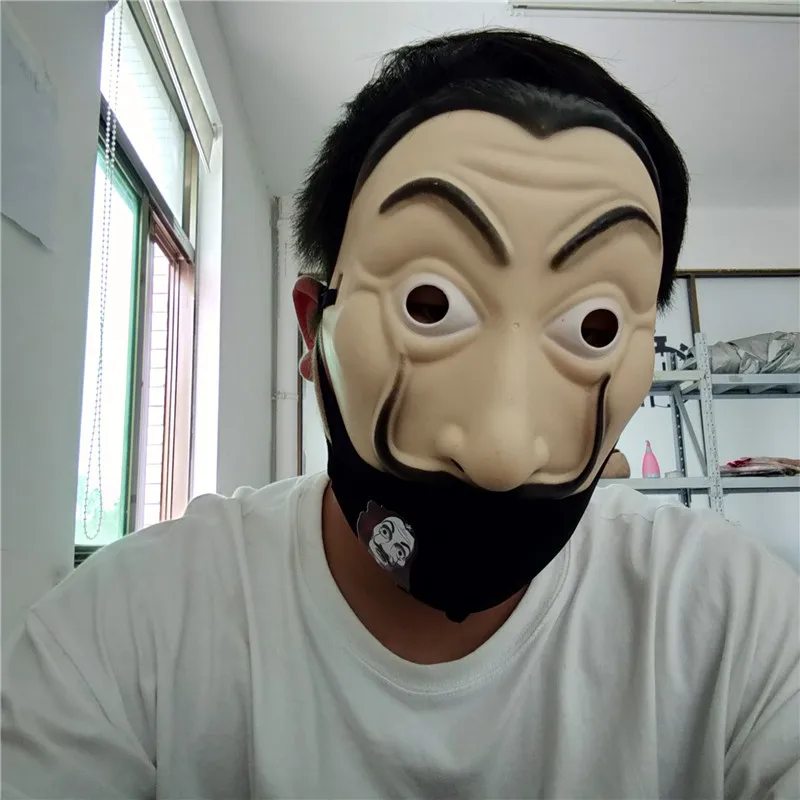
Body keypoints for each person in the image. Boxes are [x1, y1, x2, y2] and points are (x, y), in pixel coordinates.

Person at [2, 29, 798, 800]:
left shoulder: (736, 624)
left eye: (594, 327)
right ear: (313, 328)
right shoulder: (127, 632)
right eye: (429, 305)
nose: (500, 453)